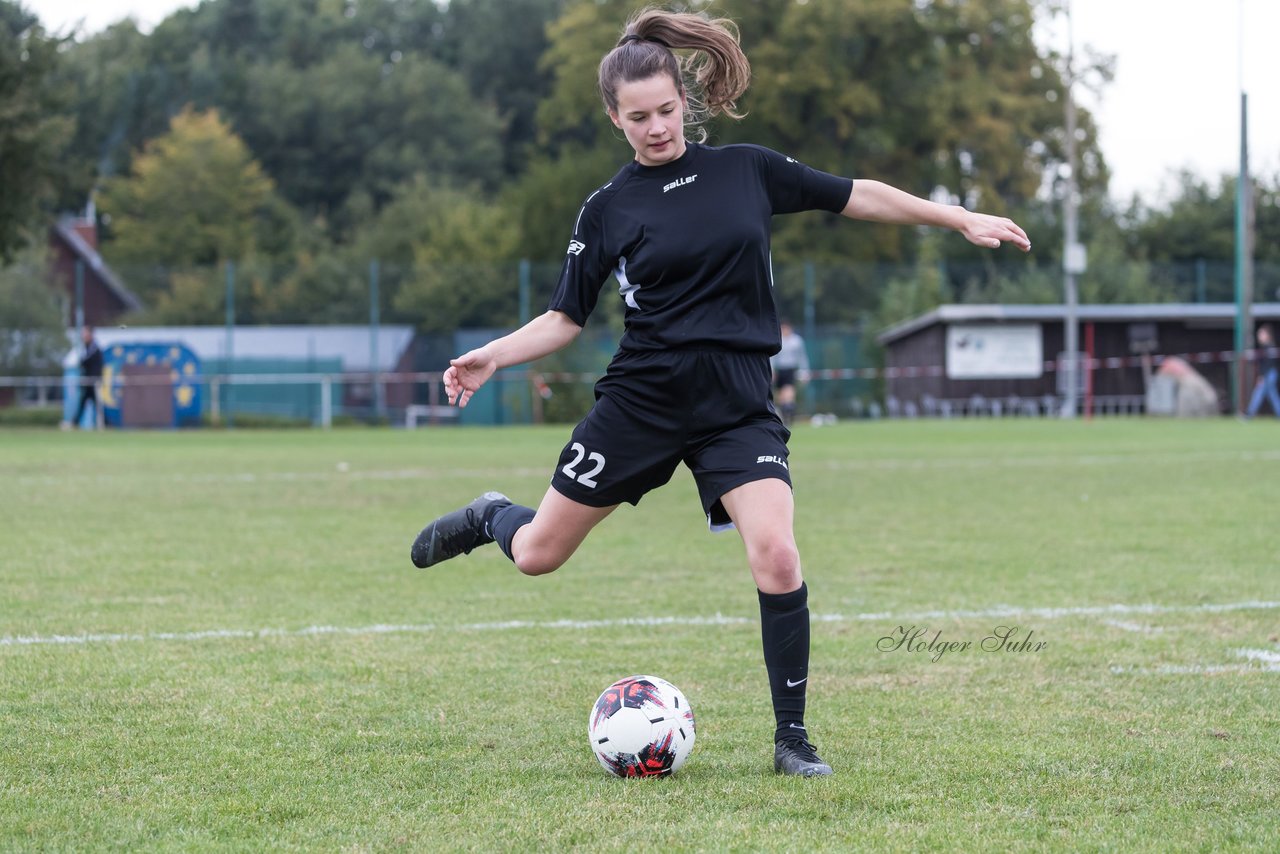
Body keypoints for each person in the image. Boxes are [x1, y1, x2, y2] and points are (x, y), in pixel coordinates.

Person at [410, 8, 1030, 777]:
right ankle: (488, 514)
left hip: (736, 403)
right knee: (537, 554)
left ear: (685, 99)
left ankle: (792, 739)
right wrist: (491, 358)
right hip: (643, 402)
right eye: (638, 118)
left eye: (666, 110)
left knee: (776, 552)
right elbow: (565, 318)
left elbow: (854, 194)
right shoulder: (608, 210)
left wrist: (956, 216)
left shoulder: (747, 170)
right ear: (615, 118)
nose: (656, 128)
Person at [771, 320, 809, 426]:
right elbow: (773, 357)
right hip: (780, 370)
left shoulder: (796, 341)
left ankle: (790, 416)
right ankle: (785, 417)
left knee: (789, 393)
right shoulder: (779, 340)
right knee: (781, 397)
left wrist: (804, 371)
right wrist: (772, 370)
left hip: (790, 370)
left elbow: (802, 357)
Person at [71, 325, 103, 429]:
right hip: (88, 381)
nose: (83, 336)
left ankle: (102, 424)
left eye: (85, 333)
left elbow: (85, 361)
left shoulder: (94, 348)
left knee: (97, 404)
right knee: (84, 402)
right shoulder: (86, 347)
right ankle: (75, 422)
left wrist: (81, 361)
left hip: (94, 381)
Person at [1246, 324, 1280, 418]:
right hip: (1270, 373)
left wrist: (1262, 375)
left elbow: (1268, 364)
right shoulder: (1265, 347)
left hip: (1269, 374)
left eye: (1261, 334)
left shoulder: (1269, 347)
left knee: (1259, 393)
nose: (1259, 336)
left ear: (1267, 335)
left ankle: (1249, 414)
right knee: (1272, 395)